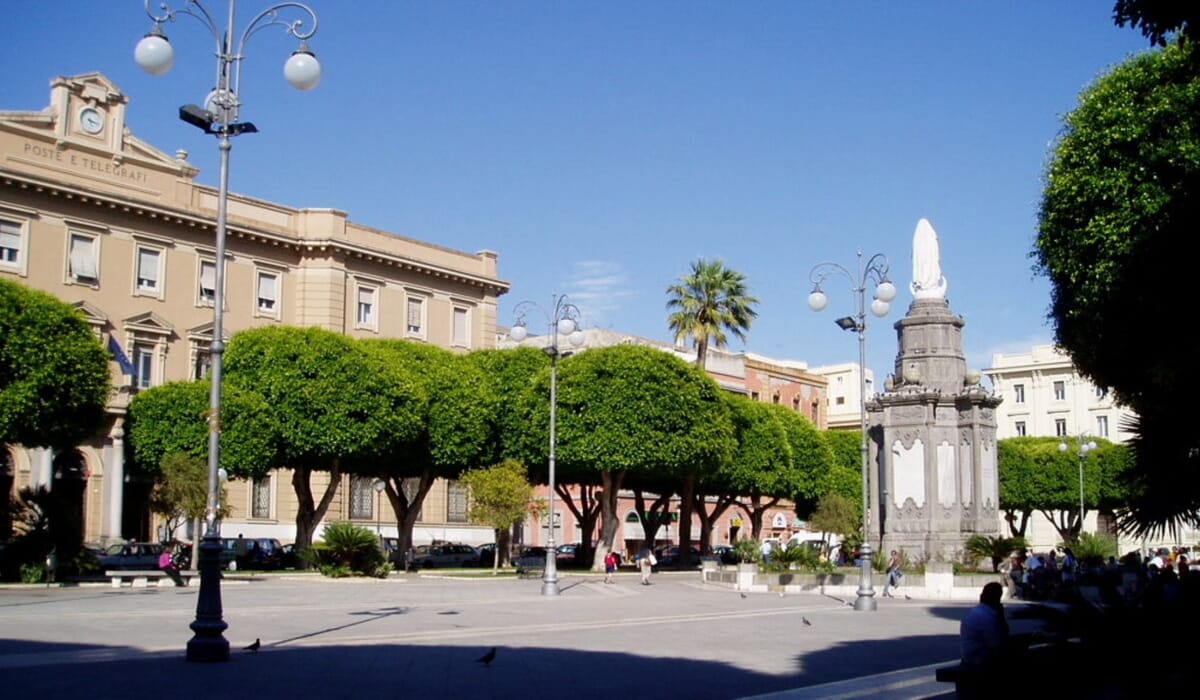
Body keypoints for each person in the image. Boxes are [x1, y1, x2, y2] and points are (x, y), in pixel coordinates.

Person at [960, 582, 1010, 673]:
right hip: (979, 658)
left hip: (969, 655)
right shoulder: (989, 617)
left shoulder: (976, 611)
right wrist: (1001, 617)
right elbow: (997, 643)